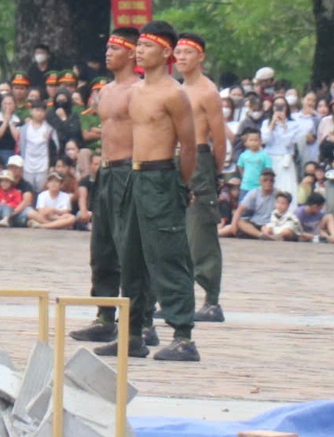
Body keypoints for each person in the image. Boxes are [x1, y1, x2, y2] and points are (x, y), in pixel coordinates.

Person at [119, 23, 199, 362]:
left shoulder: (174, 93)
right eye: (138, 45)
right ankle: (133, 334)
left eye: (147, 46)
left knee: (168, 256)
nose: (139, 51)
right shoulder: (135, 91)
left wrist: (179, 185)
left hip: (161, 176)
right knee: (131, 259)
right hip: (135, 178)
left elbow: (189, 145)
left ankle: (183, 336)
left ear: (166, 52)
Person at [70, 28, 142, 345]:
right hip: (107, 171)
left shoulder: (139, 90)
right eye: (108, 47)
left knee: (131, 249)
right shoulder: (106, 90)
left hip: (130, 170)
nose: (108, 53)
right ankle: (103, 315)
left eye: (115, 48)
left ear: (131, 53)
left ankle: (141, 320)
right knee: (102, 249)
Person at [173, 33, 228, 321]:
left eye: (187, 53)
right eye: (178, 52)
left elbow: (219, 140)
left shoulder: (207, 92)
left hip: (201, 158)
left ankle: (211, 299)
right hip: (176, 157)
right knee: (175, 228)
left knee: (200, 230)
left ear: (200, 57)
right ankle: (176, 295)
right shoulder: (176, 88)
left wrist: (214, 171)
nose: (181, 57)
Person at [219, 169, 279, 239]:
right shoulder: (254, 192)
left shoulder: (277, 194)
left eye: (271, 180)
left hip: (271, 224)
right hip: (255, 224)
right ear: (260, 181)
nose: (268, 182)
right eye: (265, 180)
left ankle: (264, 235)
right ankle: (261, 235)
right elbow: (239, 210)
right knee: (240, 222)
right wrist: (233, 225)